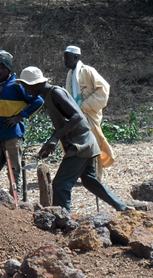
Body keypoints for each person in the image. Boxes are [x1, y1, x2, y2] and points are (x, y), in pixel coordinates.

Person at [15, 66, 128, 213]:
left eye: (25, 86)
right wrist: (51, 141)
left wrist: (55, 138)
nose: (26, 90)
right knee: (90, 181)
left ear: (34, 84)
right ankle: (123, 207)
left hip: (80, 144)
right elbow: (64, 123)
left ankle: (63, 219)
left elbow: (77, 116)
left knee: (60, 184)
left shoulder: (56, 93)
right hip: (85, 142)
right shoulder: (50, 95)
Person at [0, 51, 43, 197]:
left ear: (9, 68)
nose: (0, 71)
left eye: (3, 68)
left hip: (12, 135)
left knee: (13, 172)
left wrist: (19, 117)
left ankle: (15, 203)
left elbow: (38, 101)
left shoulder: (17, 86)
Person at [63, 45, 115, 179]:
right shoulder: (70, 74)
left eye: (67, 58)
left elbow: (104, 89)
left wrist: (85, 106)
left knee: (94, 144)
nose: (65, 61)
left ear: (76, 57)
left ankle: (96, 175)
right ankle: (82, 174)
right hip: (76, 116)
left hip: (89, 114)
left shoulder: (88, 71)